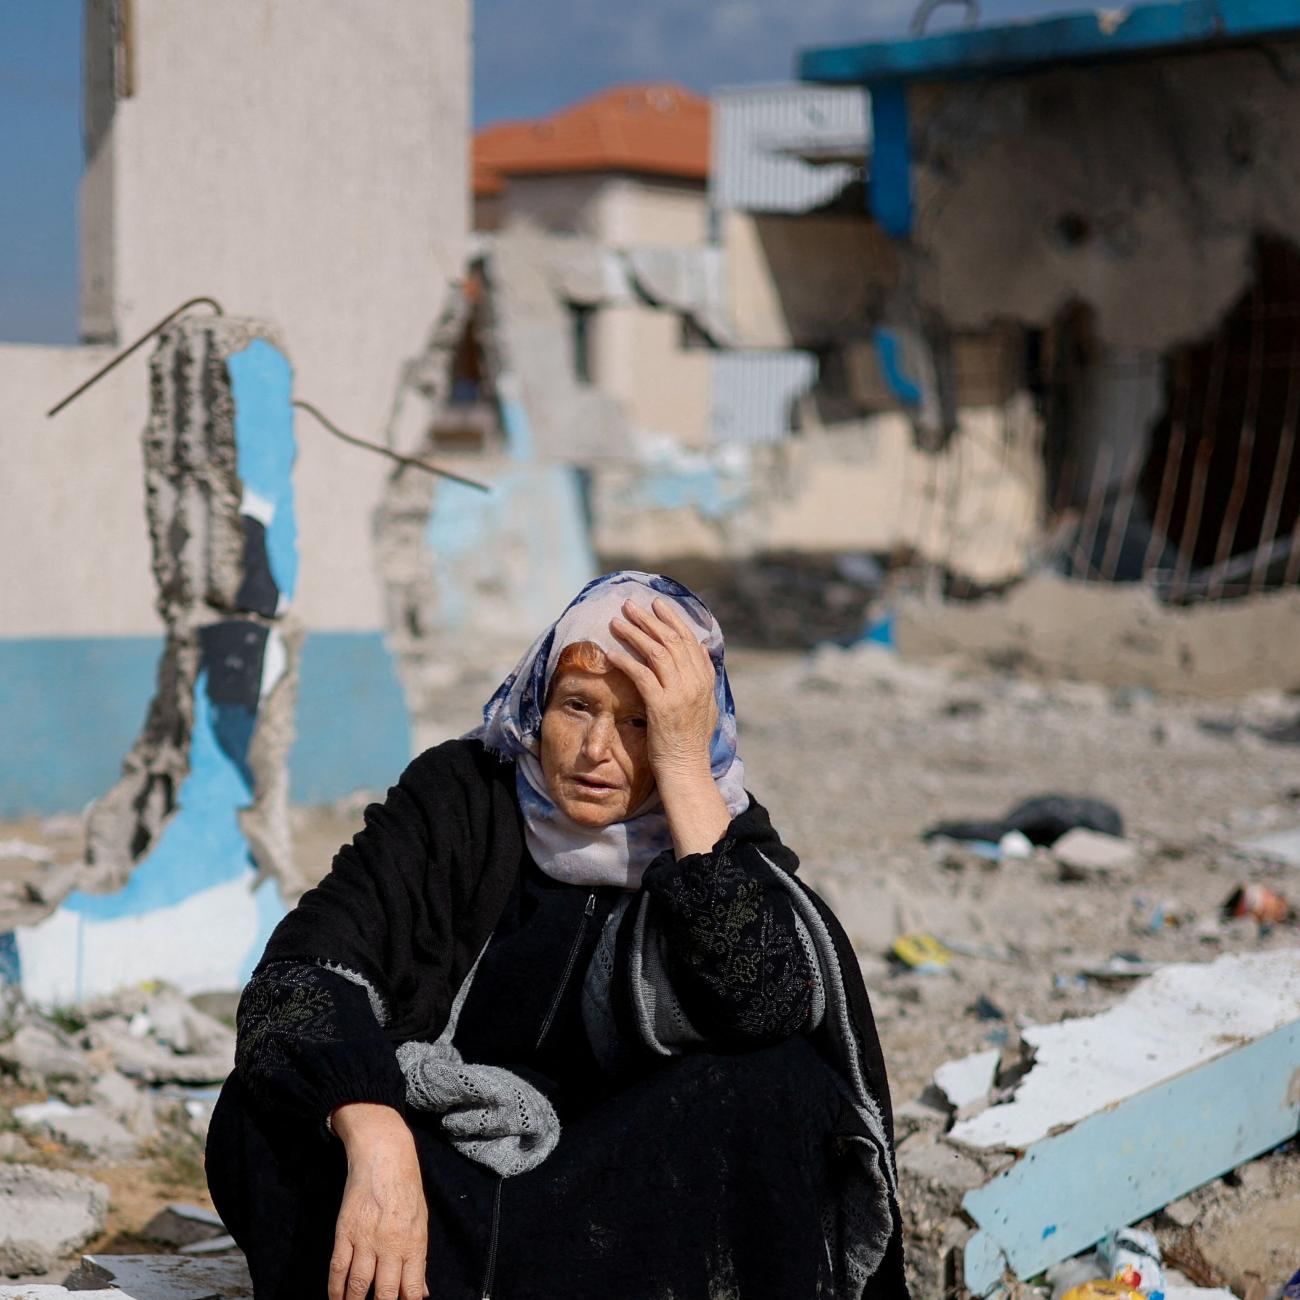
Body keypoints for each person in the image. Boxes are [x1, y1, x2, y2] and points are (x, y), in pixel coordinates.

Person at [206, 571, 907, 1300]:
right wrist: (374, 1130)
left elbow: (763, 1005)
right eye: (577, 706)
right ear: (538, 700)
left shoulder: (713, 839)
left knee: (783, 1084)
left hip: (621, 1205)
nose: (596, 748)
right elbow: (298, 975)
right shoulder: (460, 798)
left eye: (640, 722)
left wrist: (681, 774)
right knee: (266, 1106)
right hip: (446, 1179)